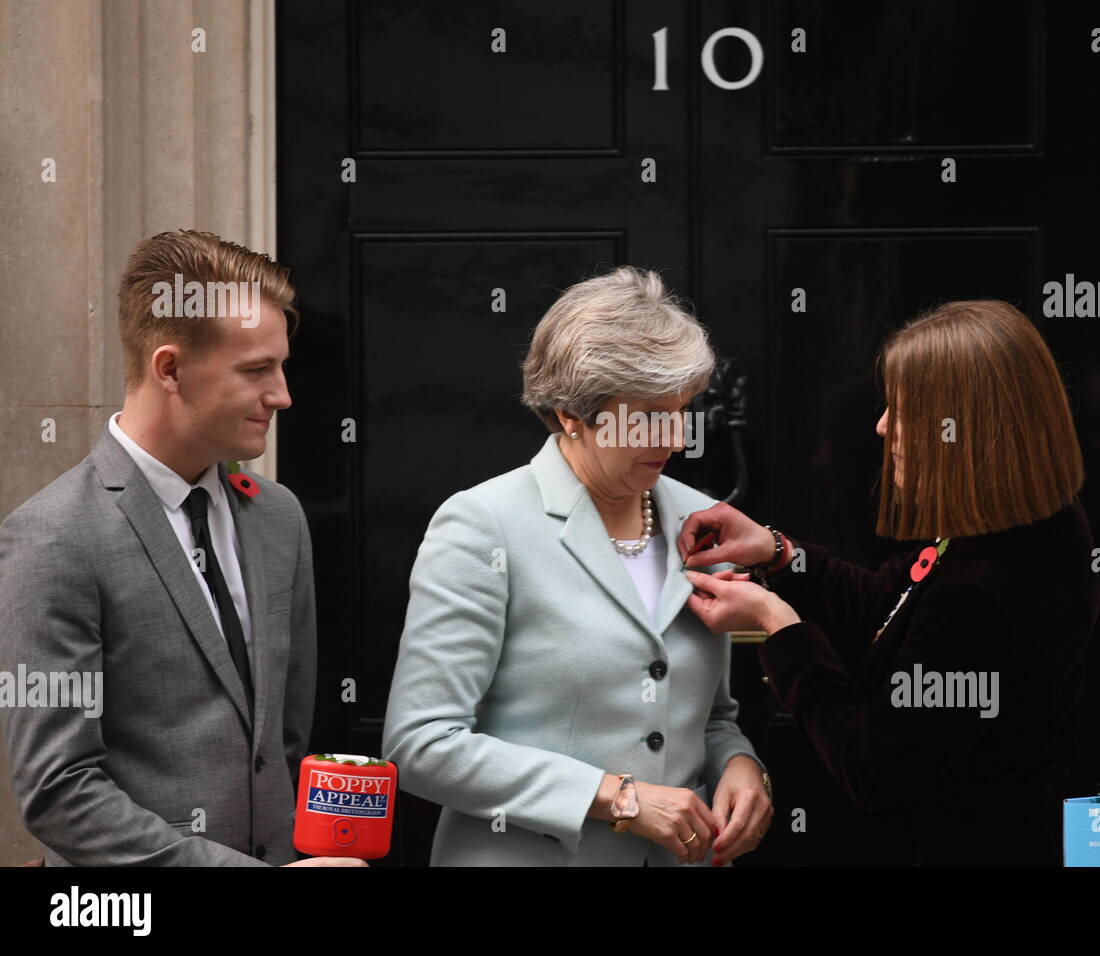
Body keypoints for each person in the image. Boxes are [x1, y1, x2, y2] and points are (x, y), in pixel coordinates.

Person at [678, 300, 1100, 866]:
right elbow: (890, 602)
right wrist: (777, 552)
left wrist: (778, 626)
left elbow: (871, 766)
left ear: (962, 430)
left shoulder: (982, 592)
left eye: (903, 411)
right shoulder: (1034, 522)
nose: (882, 426)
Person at [382, 266, 772, 866]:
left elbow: (709, 716)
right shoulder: (484, 524)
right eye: (646, 415)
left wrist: (741, 765)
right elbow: (421, 745)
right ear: (571, 413)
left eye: (683, 409)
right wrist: (616, 797)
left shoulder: (702, 520)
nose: (675, 438)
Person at [0, 230, 357, 866]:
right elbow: (58, 791)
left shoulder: (279, 517)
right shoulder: (51, 537)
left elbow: (285, 743)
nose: (283, 394)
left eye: (281, 366)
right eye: (256, 370)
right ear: (170, 368)